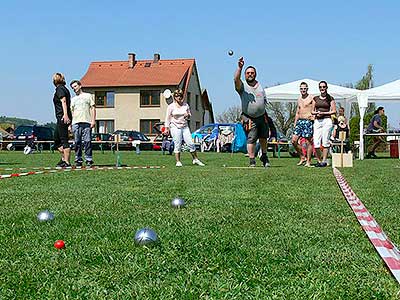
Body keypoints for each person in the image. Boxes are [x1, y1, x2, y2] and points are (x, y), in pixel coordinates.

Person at [234, 57, 270, 167]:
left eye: (252, 73)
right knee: (251, 138)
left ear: (255, 74)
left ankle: (264, 156)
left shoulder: (260, 86)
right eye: (248, 73)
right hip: (249, 117)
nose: (250, 74)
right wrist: (240, 68)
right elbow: (236, 80)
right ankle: (252, 160)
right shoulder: (242, 86)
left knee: (264, 137)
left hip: (262, 116)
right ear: (245, 75)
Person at [164, 89, 205, 167]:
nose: (179, 97)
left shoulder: (185, 105)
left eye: (180, 96)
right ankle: (178, 161)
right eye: (177, 96)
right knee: (178, 144)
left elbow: (189, 114)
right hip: (175, 127)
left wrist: (188, 115)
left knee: (191, 143)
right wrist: (166, 128)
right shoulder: (171, 107)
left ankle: (195, 159)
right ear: (174, 97)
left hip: (184, 126)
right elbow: (167, 118)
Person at [70, 80, 96, 167]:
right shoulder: (73, 99)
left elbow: (92, 108)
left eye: (75, 86)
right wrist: (69, 125)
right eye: (73, 88)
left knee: (87, 141)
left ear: (80, 86)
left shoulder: (88, 96)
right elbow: (71, 113)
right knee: (77, 142)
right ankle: (78, 159)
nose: (74, 89)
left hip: (86, 122)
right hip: (76, 123)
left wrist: (93, 120)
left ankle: (89, 159)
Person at [312, 81, 337, 167]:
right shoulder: (315, 98)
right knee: (316, 142)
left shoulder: (330, 98)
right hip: (317, 121)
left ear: (326, 87)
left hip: (327, 120)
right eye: (320, 87)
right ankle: (319, 161)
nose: (322, 88)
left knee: (325, 141)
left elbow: (334, 110)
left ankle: (324, 161)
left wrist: (324, 113)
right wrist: (316, 113)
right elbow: (312, 111)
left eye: (324, 87)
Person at [292, 82, 314, 167]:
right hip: (299, 121)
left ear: (307, 89)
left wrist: (314, 117)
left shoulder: (311, 98)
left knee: (309, 142)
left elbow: (315, 109)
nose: (303, 90)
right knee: (294, 141)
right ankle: (302, 156)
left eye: (304, 88)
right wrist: (295, 122)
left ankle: (308, 161)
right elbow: (297, 112)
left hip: (308, 121)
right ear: (299, 89)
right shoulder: (299, 99)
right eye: (301, 88)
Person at [52, 73, 72, 168]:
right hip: (60, 118)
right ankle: (64, 158)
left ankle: (67, 162)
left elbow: (63, 101)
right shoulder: (63, 88)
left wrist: (65, 115)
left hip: (63, 117)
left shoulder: (60, 89)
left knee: (64, 140)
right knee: (56, 141)